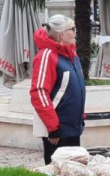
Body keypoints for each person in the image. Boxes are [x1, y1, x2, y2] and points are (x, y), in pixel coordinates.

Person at [31, 15, 86, 164]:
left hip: (72, 126)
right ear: (61, 34)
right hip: (57, 130)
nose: (75, 33)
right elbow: (39, 92)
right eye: (72, 29)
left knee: (75, 172)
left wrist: (80, 115)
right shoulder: (46, 56)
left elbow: (72, 89)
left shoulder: (71, 53)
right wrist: (53, 127)